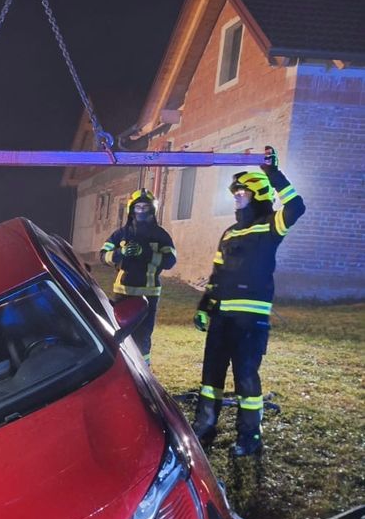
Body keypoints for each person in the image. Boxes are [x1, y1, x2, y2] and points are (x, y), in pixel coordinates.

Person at [192, 146, 306, 457]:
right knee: (210, 377)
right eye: (236, 191)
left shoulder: (271, 224)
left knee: (245, 379)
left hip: (250, 320)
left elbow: (296, 206)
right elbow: (216, 273)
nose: (236, 196)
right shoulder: (229, 233)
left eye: (241, 191)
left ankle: (249, 436)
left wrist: (273, 173)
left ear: (256, 192)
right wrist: (205, 307)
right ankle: (204, 427)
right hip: (223, 318)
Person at [100, 189, 177, 364]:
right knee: (120, 333)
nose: (141, 211)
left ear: (152, 210)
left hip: (148, 295)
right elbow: (103, 256)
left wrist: (146, 253)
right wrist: (120, 253)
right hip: (123, 293)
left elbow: (170, 261)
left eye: (145, 207)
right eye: (138, 207)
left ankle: (143, 370)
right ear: (131, 209)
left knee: (143, 337)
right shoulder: (120, 234)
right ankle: (122, 367)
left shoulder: (161, 235)